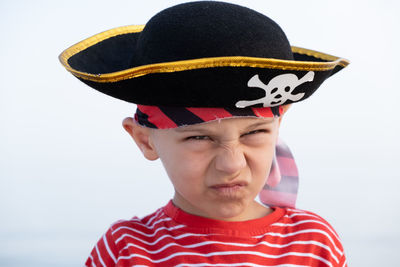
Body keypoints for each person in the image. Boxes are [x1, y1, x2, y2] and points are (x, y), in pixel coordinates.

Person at [59, 1, 349, 266]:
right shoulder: (126, 249)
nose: (232, 164)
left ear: (277, 129)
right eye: (199, 137)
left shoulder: (313, 244)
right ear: (145, 139)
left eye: (255, 132)